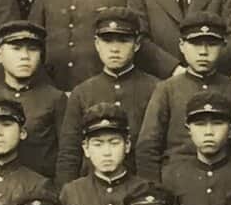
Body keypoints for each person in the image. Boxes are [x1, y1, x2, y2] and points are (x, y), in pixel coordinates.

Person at [55, 12, 158, 185]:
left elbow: (155, 149)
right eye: (107, 41)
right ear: (96, 44)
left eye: (124, 41)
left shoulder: (156, 88)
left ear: (137, 44)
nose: (115, 49)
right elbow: (69, 153)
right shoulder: (82, 93)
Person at [138, 15, 231, 180]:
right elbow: (148, 146)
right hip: (176, 180)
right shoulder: (167, 89)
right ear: (182, 46)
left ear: (223, 46)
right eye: (195, 44)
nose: (203, 52)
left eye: (211, 44)